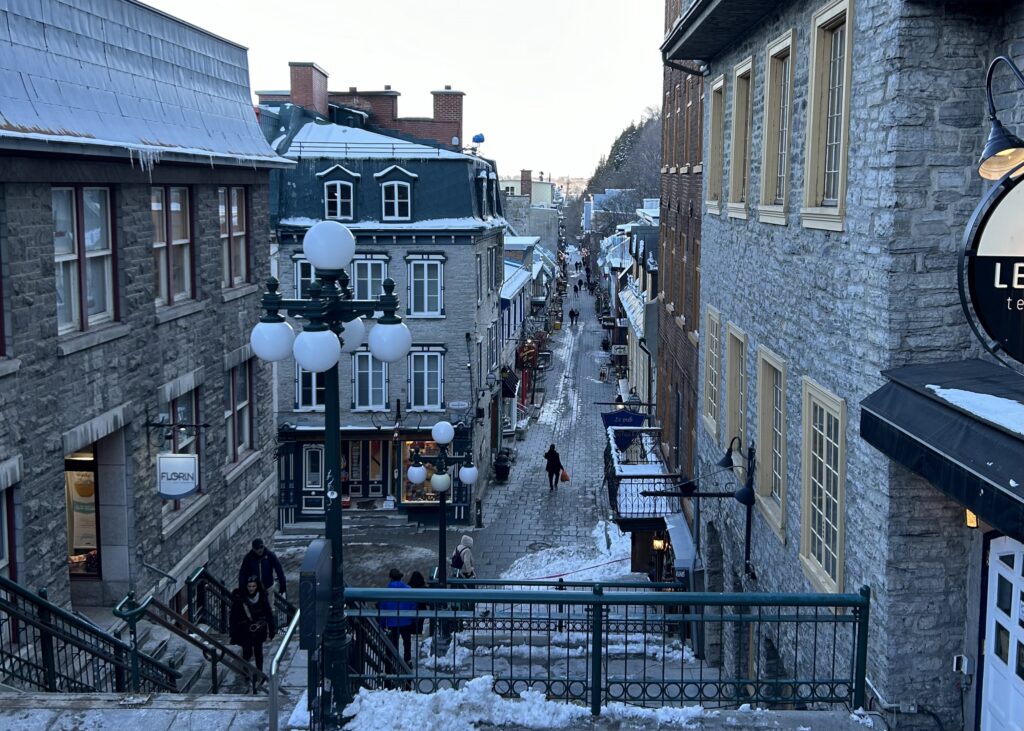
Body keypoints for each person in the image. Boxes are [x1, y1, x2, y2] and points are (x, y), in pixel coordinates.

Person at [230, 576, 277, 677]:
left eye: (253, 586)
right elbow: (234, 616)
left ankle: (259, 672)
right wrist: (233, 633)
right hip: (245, 630)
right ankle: (246, 672)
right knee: (247, 652)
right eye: (249, 586)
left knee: (258, 651)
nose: (251, 588)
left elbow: (268, 613)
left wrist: (272, 629)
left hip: (258, 629)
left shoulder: (262, 597)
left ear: (257, 587)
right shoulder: (240, 598)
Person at [378, 568, 416, 663]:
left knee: (392, 644)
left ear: (390, 578)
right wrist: (413, 619)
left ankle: (390, 663)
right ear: (401, 578)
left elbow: (382, 610)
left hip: (391, 623)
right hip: (406, 622)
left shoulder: (385, 592)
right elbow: (413, 606)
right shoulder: (409, 590)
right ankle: (407, 660)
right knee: (407, 642)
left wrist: (381, 625)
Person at [408, 570, 427, 635]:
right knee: (419, 627)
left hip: (411, 611)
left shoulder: (409, 588)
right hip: (422, 610)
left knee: (412, 627)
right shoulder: (424, 589)